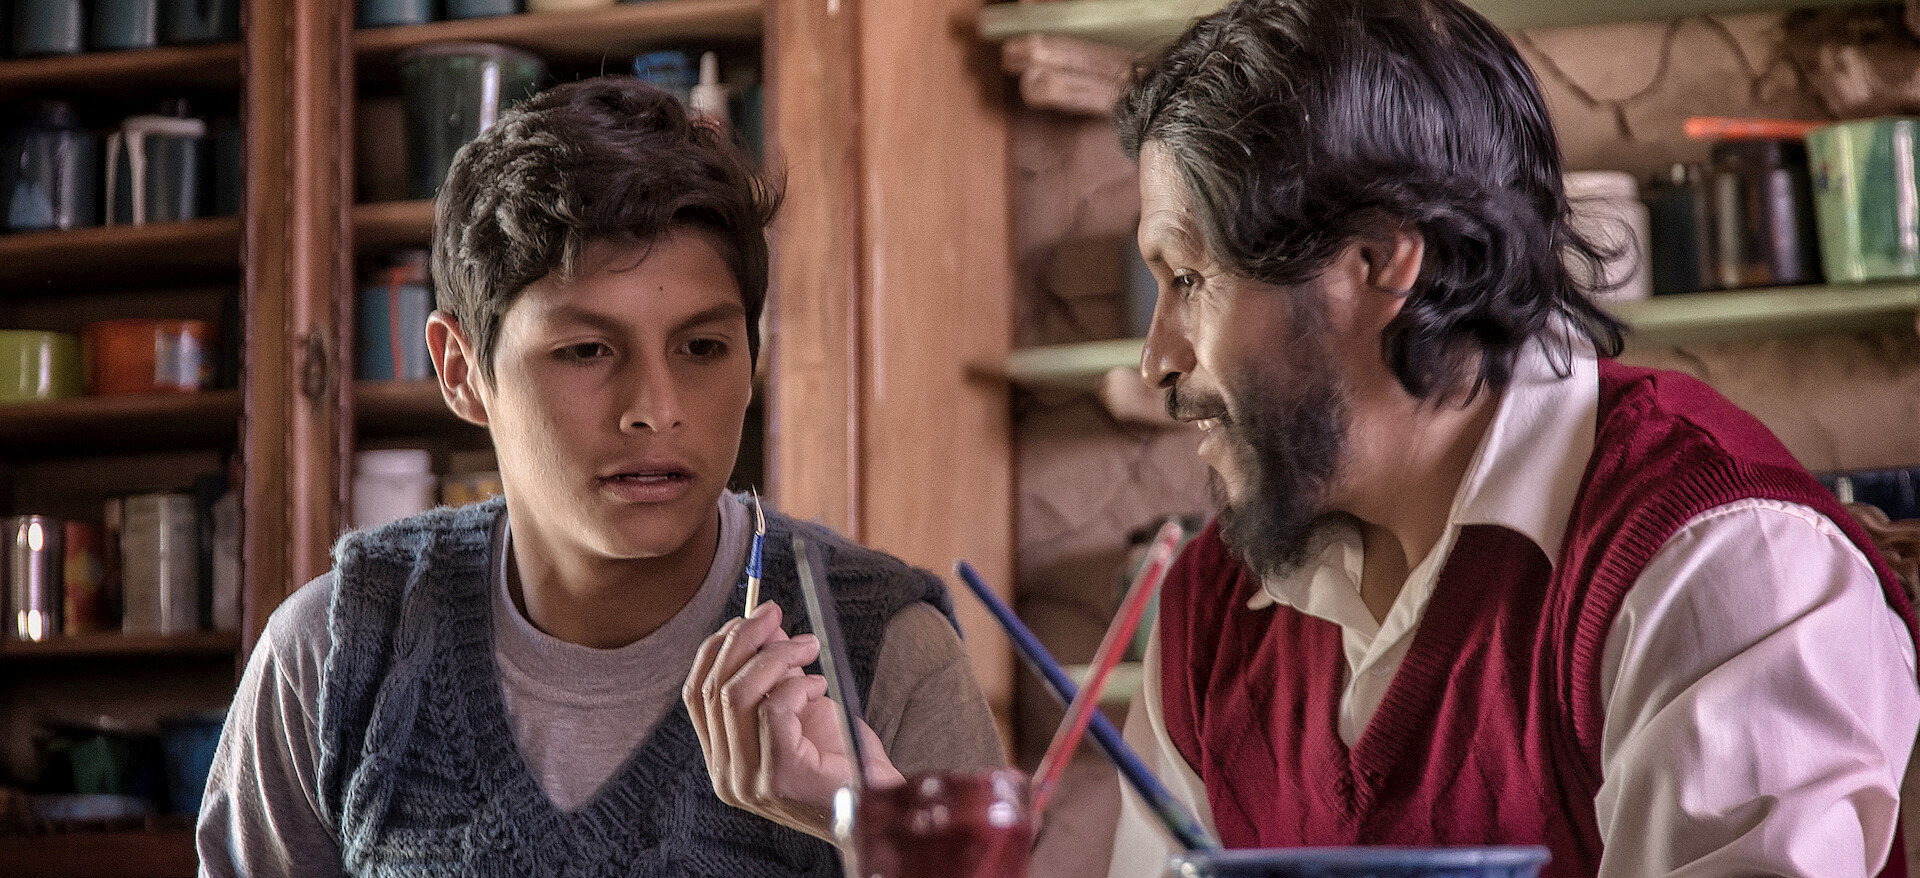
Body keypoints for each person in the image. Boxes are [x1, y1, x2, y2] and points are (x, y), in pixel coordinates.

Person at [1093, 1, 1920, 876]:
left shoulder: (1722, 559)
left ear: (1376, 262)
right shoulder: (1210, 612)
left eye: (1189, 278)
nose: (1157, 359)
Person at [195, 76, 1003, 877]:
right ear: (461, 371)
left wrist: (870, 834)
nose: (656, 410)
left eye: (702, 348)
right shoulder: (332, 657)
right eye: (586, 350)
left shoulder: (889, 658)